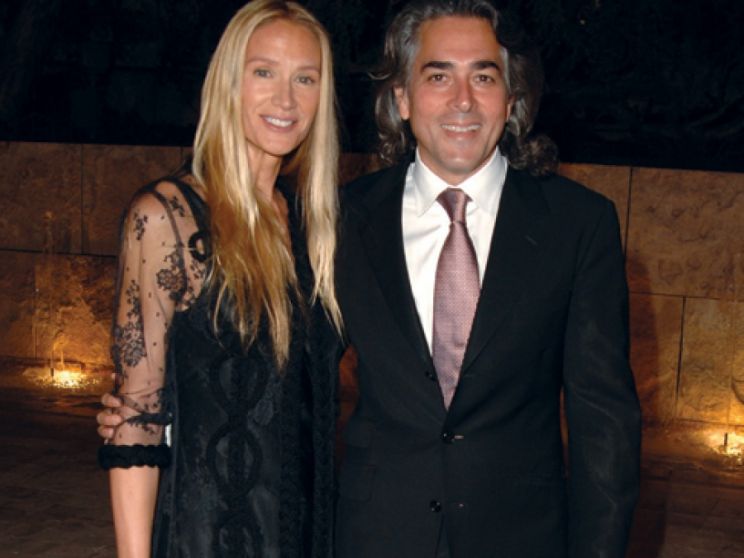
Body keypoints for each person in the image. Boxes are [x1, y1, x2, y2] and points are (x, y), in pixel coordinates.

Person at [332, 1, 641, 557]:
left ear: (512, 98)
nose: (463, 100)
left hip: (523, 537)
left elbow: (604, 423)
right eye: (438, 76)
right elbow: (295, 386)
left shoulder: (579, 224)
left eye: (483, 76)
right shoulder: (344, 218)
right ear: (401, 98)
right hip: (374, 535)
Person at [97, 1, 343, 556]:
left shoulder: (315, 226)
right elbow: (137, 419)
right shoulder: (168, 218)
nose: (286, 100)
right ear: (228, 83)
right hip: (207, 538)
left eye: (305, 79)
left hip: (308, 537)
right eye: (264, 72)